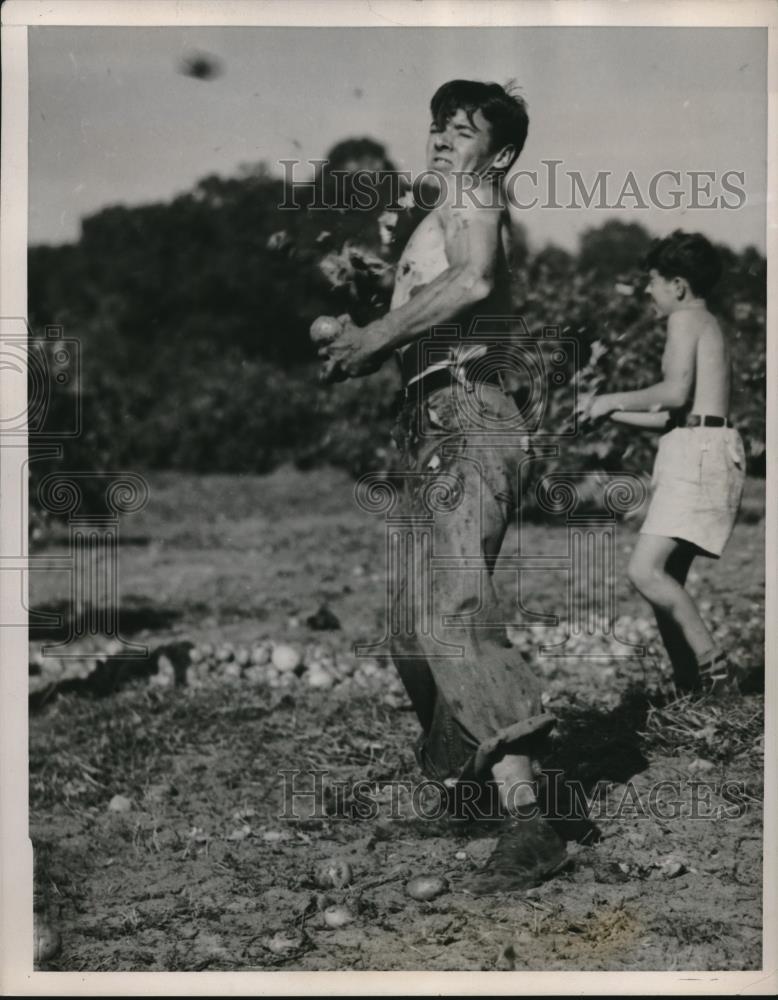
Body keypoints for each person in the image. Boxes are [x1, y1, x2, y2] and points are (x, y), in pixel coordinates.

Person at [311, 79, 570, 894]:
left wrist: (375, 336)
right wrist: (361, 331)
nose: (443, 139)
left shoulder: (477, 193)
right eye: (438, 126)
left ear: (498, 151)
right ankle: (465, 785)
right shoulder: (440, 210)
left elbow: (475, 282)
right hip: (434, 420)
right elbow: (438, 295)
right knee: (407, 630)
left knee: (453, 611)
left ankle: (531, 819)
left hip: (469, 413)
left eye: (463, 129)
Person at [585, 230, 746, 696]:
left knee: (645, 572)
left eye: (652, 281)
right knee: (666, 578)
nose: (648, 291)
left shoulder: (685, 321)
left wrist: (610, 397)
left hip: (698, 451)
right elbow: (677, 414)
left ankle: (718, 675)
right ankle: (691, 684)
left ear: (677, 284)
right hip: (696, 443)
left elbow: (672, 394)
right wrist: (609, 411)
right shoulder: (704, 322)